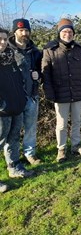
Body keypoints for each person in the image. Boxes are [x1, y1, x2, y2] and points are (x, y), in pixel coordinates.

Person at [42, 18, 81, 162]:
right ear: (59, 33)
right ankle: (61, 149)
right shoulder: (50, 50)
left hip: (76, 92)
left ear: (73, 34)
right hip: (60, 94)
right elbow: (46, 74)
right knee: (62, 124)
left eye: (70, 31)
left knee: (77, 121)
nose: (67, 34)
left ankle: (76, 146)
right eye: (64, 31)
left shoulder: (79, 50)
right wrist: (49, 92)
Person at [0, 28, 33, 192]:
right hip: (2, 111)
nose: (3, 42)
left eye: (5, 39)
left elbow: (19, 80)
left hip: (16, 106)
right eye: (0, 39)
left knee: (13, 139)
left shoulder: (11, 58)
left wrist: (22, 98)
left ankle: (14, 167)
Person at [8, 18, 42, 165]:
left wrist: (38, 75)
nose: (24, 33)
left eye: (26, 30)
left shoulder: (34, 52)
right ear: (15, 31)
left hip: (31, 96)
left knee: (30, 127)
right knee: (13, 131)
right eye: (21, 30)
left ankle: (29, 153)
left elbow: (42, 70)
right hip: (13, 98)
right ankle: (13, 159)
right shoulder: (7, 51)